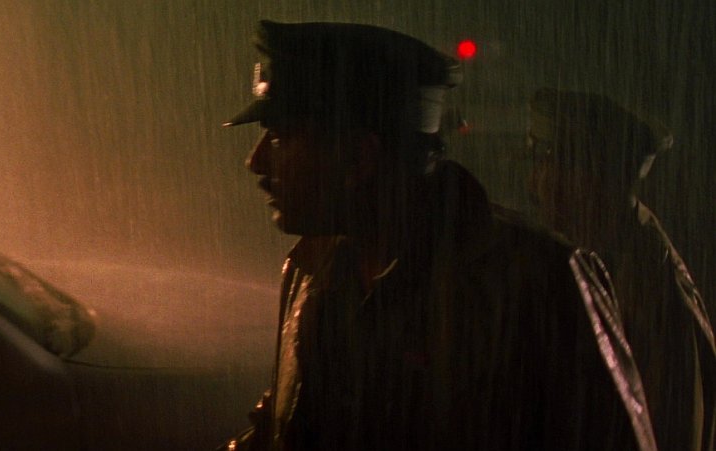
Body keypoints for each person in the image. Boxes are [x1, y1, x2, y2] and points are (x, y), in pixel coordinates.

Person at [220, 20, 655, 450]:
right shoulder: (312, 271)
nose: (255, 162)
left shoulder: (540, 284)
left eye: (278, 139)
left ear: (358, 157)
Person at [527, 88, 716, 451]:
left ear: (593, 179)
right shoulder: (606, 260)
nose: (535, 183)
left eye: (548, 162)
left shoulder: (649, 288)